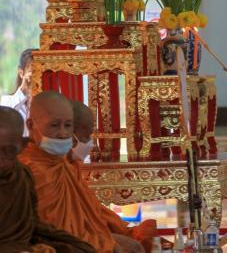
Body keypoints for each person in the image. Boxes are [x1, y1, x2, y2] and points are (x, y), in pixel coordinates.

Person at [19, 91, 156, 253]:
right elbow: (46, 228)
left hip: (82, 238)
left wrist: (104, 240)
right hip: (56, 244)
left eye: (68, 125)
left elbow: (89, 216)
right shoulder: (28, 168)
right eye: (54, 125)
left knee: (132, 246)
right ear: (30, 125)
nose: (63, 133)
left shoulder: (64, 165)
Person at [0, 106, 95, 253]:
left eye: (9, 151)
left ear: (21, 145)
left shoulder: (23, 174)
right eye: (55, 125)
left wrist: (71, 242)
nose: (2, 161)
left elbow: (32, 224)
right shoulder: (32, 166)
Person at [1, 48, 38, 137]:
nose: (38, 77)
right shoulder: (7, 101)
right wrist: (27, 93)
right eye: (34, 72)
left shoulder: (47, 103)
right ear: (21, 73)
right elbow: (5, 120)